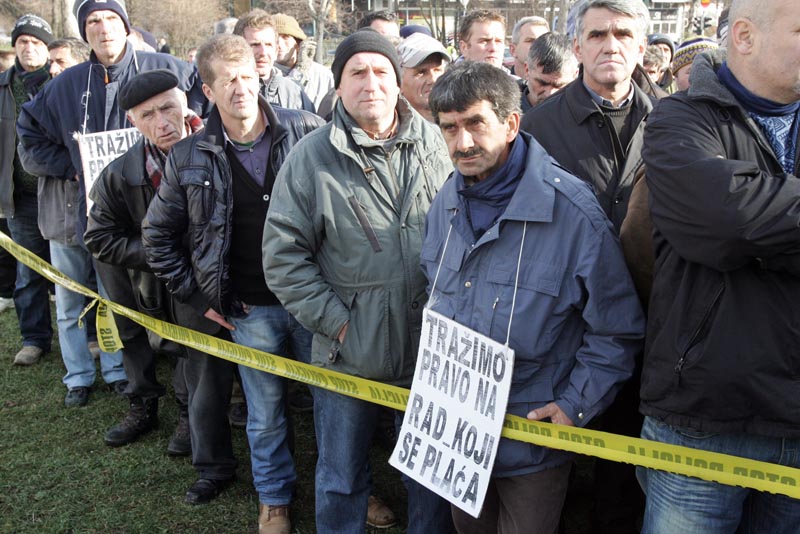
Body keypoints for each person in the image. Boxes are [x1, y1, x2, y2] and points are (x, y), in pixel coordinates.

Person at [425, 58, 644, 534]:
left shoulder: (573, 213)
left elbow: (617, 329)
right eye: (449, 128)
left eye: (475, 124)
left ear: (511, 124)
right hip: (457, 431)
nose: (462, 143)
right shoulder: (446, 200)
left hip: (533, 439)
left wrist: (574, 405)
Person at [263, 30, 455, 534]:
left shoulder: (437, 143)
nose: (371, 83)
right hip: (346, 353)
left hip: (429, 349)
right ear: (339, 86)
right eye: (357, 72)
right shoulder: (310, 158)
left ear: (398, 82)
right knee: (342, 475)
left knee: (428, 474)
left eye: (381, 71)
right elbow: (283, 258)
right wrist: (340, 324)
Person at [142, 35, 323, 527]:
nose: (240, 88)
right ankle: (274, 497)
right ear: (207, 90)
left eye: (246, 76)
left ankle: (348, 485)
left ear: (259, 76)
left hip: (314, 301)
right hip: (248, 309)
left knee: (334, 406)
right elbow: (157, 235)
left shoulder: (307, 130)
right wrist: (198, 295)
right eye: (227, 81)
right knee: (265, 415)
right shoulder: (189, 155)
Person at [639, 0, 800, 531]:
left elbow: (742, 222)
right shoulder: (678, 117)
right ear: (746, 37)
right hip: (702, 419)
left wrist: (759, 222)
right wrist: (745, 223)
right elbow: (723, 221)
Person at [17, 0, 204, 408]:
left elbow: (204, 107)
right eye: (93, 21)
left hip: (172, 215)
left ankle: (187, 407)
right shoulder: (65, 84)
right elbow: (29, 135)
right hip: (107, 218)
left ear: (126, 25)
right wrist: (72, 166)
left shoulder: (168, 68)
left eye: (111, 19)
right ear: (84, 31)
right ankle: (131, 394)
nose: (103, 28)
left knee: (179, 314)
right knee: (121, 312)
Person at [520, 1, 653, 532]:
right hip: (565, 320)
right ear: (576, 46)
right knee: (552, 466)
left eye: (623, 33)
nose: (610, 44)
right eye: (597, 34)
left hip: (650, 316)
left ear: (642, 47)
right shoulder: (538, 127)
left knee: (624, 464)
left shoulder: (674, 120)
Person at [84, 70, 198, 456]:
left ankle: (188, 413)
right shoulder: (119, 174)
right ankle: (142, 405)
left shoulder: (214, 152)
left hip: (189, 274)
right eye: (148, 115)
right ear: (133, 121)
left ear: (185, 103)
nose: (162, 122)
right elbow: (98, 238)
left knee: (187, 341)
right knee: (132, 335)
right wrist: (159, 253)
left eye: (168, 108)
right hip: (132, 273)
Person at [0, 14, 55, 366]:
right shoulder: (2, 88)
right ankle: (34, 339)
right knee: (28, 272)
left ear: (47, 48)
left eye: (36, 42)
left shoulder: (62, 81)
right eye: (22, 41)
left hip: (61, 195)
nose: (29, 48)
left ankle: (90, 336)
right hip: (20, 198)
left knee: (77, 270)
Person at [233, 10, 315, 113]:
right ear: (237, 48)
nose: (263, 52)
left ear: (276, 50)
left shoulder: (296, 94)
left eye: (268, 45)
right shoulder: (224, 92)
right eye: (255, 45)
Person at [273, 13, 334, 111]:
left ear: (298, 44)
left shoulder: (323, 76)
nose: (279, 44)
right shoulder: (263, 76)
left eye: (286, 37)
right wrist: (299, 71)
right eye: (275, 38)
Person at [397, 32, 450, 122]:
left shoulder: (461, 119)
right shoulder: (388, 126)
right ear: (399, 82)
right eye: (421, 72)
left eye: (437, 70)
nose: (433, 80)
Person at [521, 32, 578, 112]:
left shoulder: (586, 113)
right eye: (542, 83)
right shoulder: (507, 113)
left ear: (575, 76)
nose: (549, 93)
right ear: (527, 70)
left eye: (558, 86)